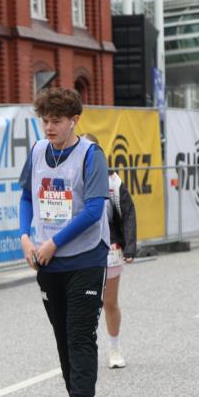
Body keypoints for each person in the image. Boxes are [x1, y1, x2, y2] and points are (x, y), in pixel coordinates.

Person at [18, 89, 111, 397]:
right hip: (47, 261)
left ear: (74, 120)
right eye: (45, 120)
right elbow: (26, 196)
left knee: (79, 333)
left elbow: (94, 209)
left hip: (85, 258)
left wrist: (55, 242)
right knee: (62, 335)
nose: (49, 127)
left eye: (56, 120)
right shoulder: (38, 151)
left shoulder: (91, 155)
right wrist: (25, 237)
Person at [84, 133, 137, 369]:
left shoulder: (112, 181)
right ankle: (83, 351)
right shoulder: (71, 177)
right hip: (80, 251)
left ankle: (114, 348)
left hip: (109, 250)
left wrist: (130, 247)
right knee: (83, 304)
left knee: (109, 302)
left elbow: (128, 212)